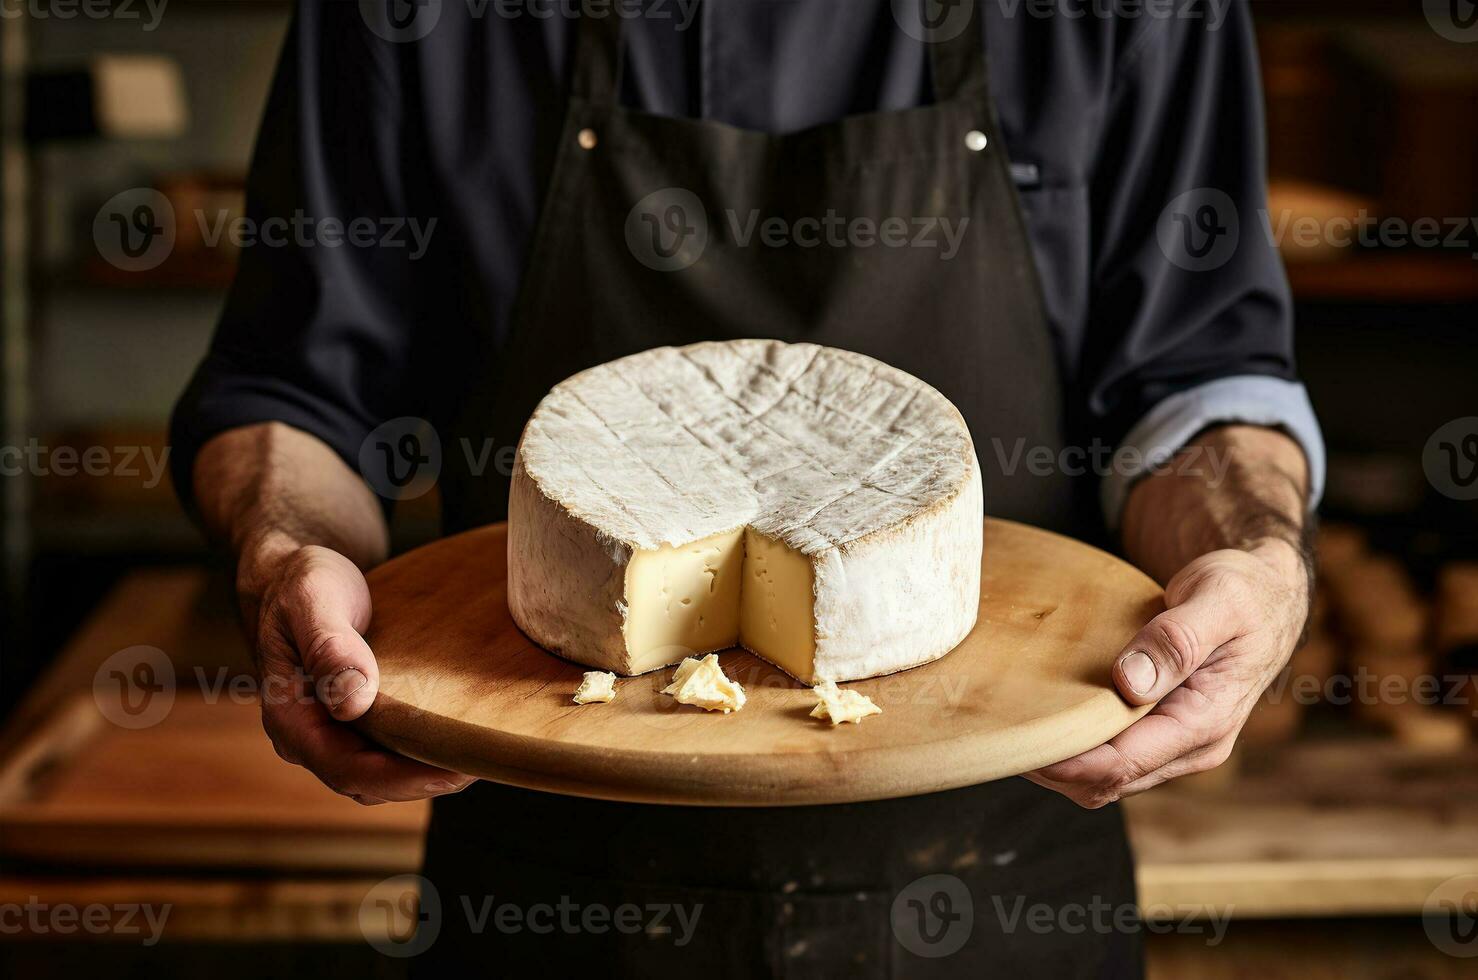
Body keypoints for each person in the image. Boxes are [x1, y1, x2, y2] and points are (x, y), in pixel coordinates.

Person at [171, 1, 1322, 974]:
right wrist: (284, 550)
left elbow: (1190, 376)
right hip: (547, 877)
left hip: (996, 880)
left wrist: (1257, 556)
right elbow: (294, 388)